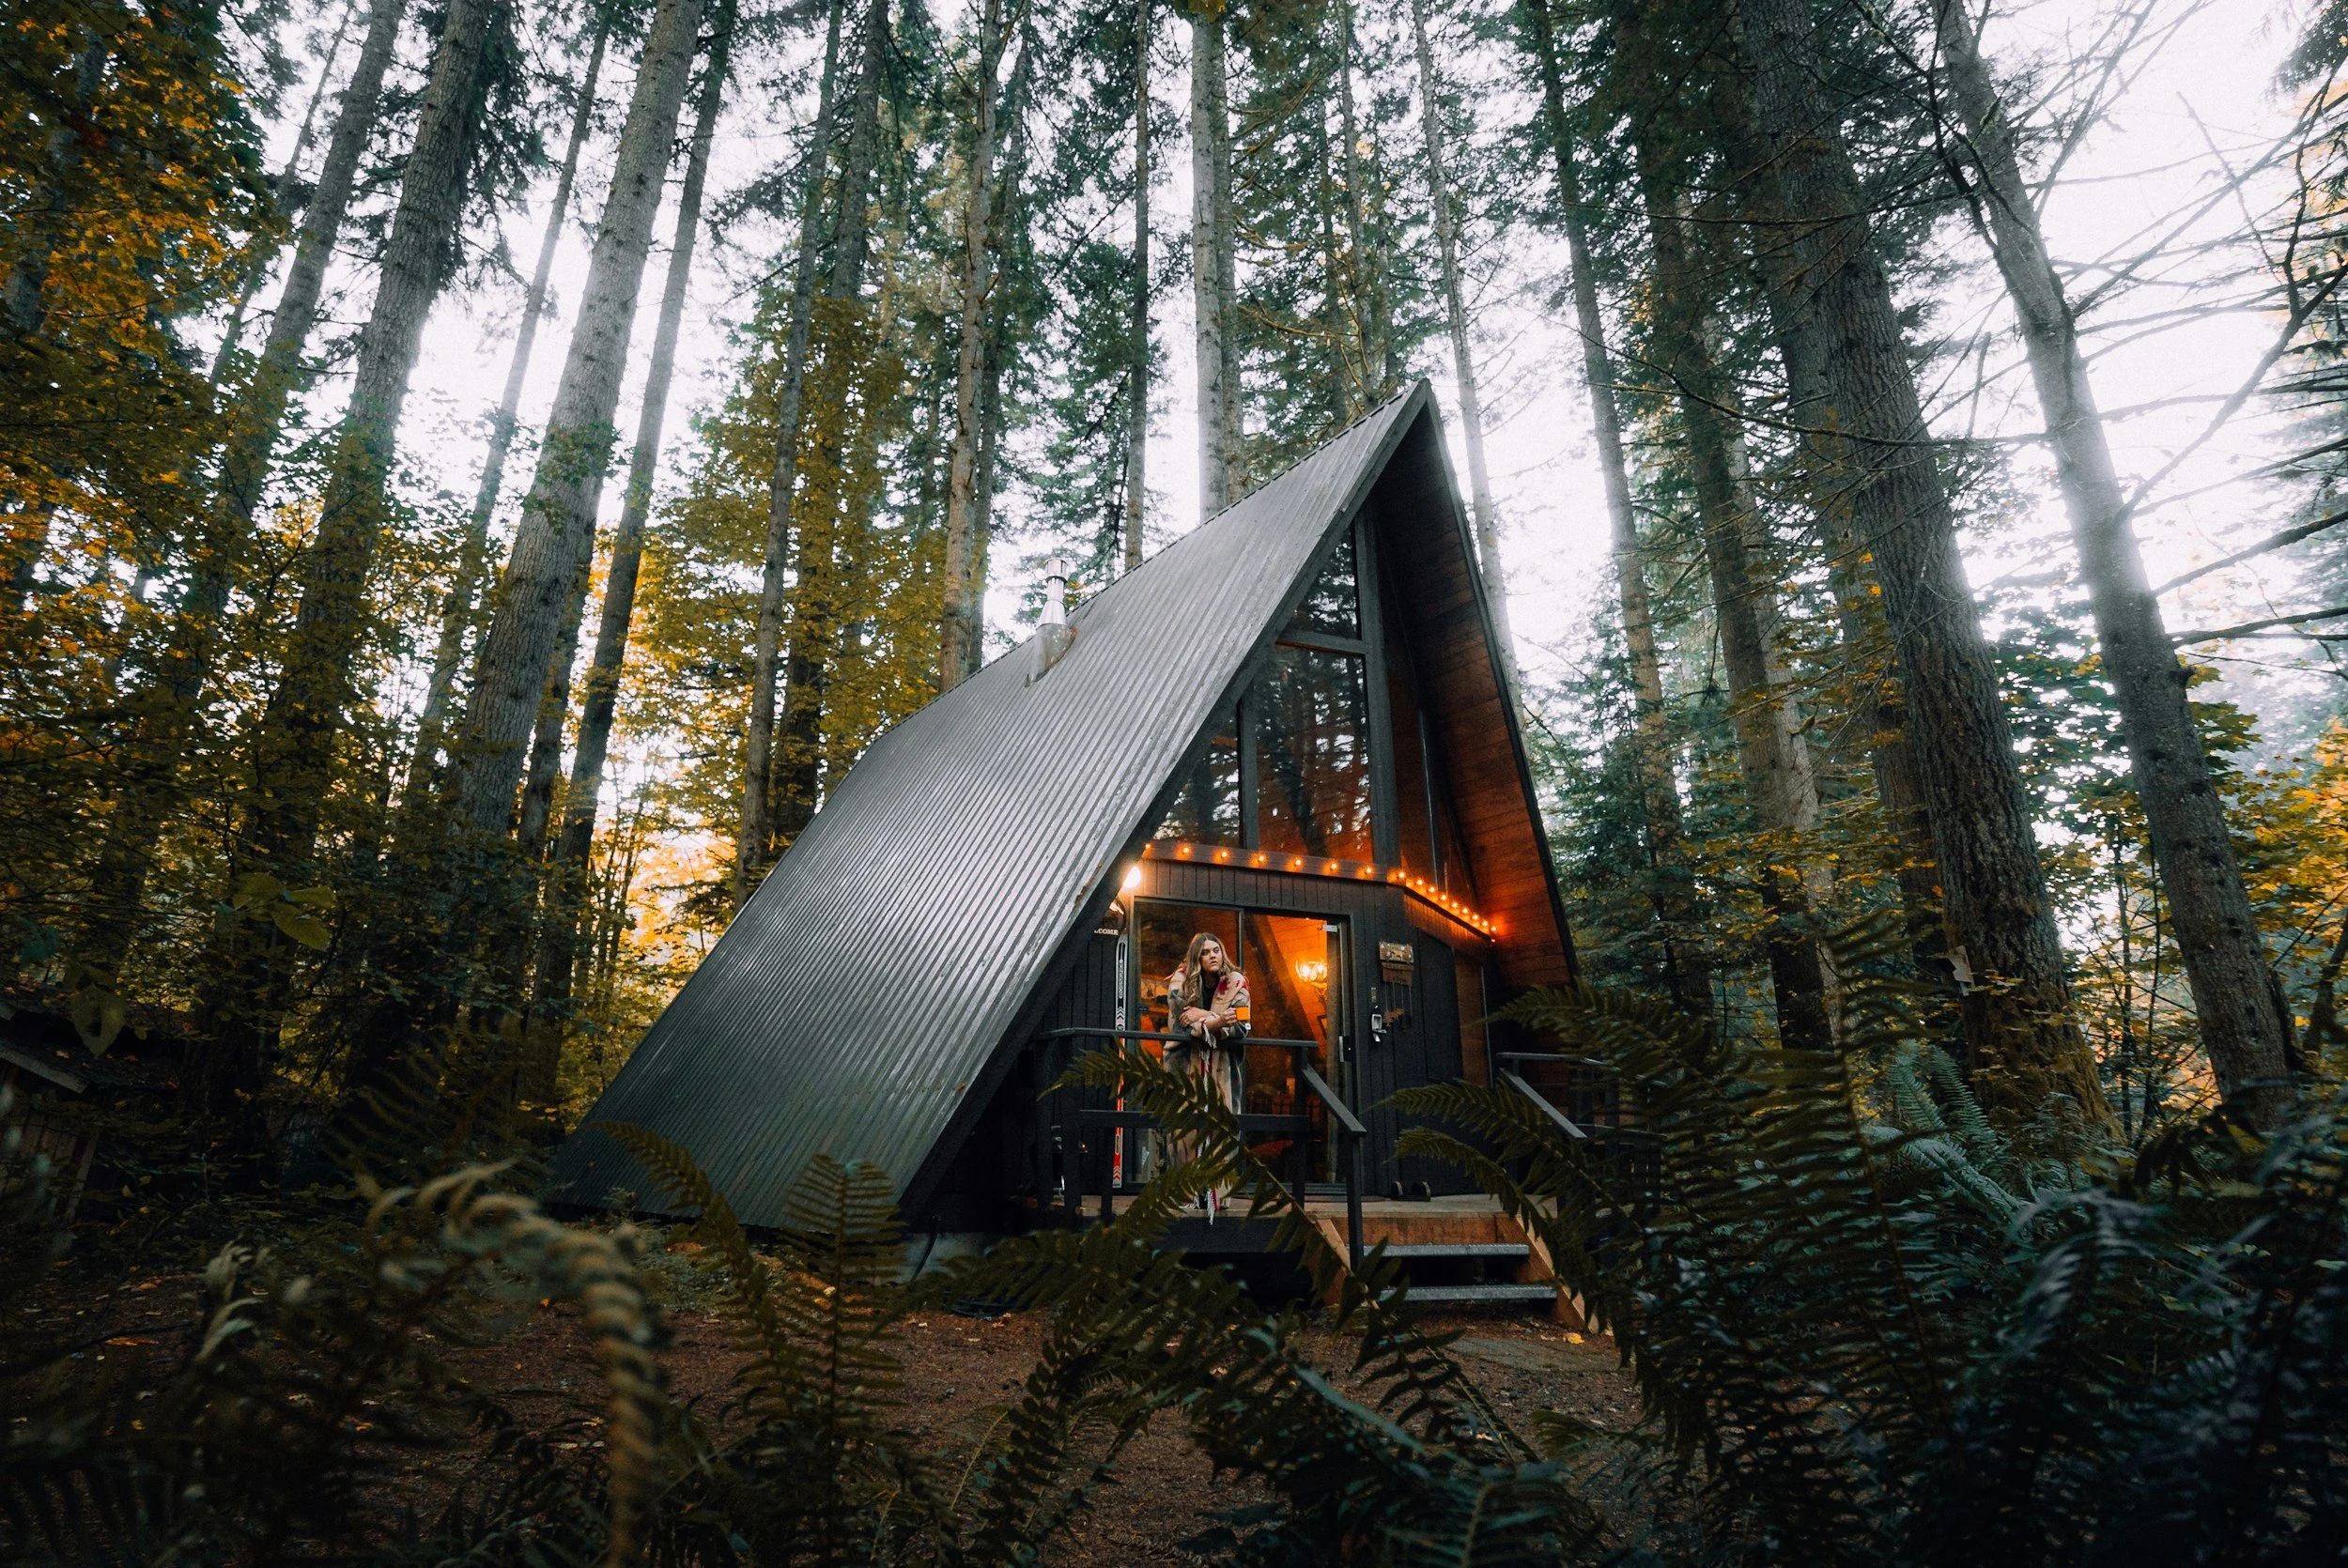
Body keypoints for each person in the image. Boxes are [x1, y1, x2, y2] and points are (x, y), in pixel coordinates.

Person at [1163, 933, 1249, 1204]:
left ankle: (1217, 1198)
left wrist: (1205, 1017)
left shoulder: (1237, 983)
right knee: (1184, 1129)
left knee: (1223, 1128)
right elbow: (1184, 1022)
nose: (1213, 955)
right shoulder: (1180, 982)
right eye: (1205, 952)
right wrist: (1219, 1020)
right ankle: (1185, 1196)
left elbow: (1242, 1026)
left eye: (1216, 950)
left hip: (1223, 1067)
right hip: (1184, 1063)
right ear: (1196, 958)